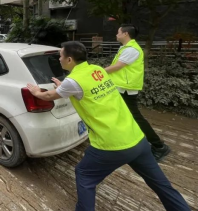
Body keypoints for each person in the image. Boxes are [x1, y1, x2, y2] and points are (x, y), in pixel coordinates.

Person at [27, 41, 190, 211]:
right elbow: (85, 90)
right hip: (137, 139)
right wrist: (64, 88)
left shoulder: (73, 80)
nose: (58, 59)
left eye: (60, 56)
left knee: (84, 174)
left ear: (69, 60)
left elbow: (48, 96)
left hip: (112, 144)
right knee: (161, 185)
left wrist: (35, 91)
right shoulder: (96, 70)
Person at [104, 24, 170, 162]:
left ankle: (159, 146)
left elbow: (118, 66)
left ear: (126, 34)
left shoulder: (132, 49)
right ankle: (131, 142)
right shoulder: (126, 48)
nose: (116, 35)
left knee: (135, 117)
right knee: (125, 116)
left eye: (118, 32)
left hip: (126, 89)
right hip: (121, 87)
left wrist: (98, 72)